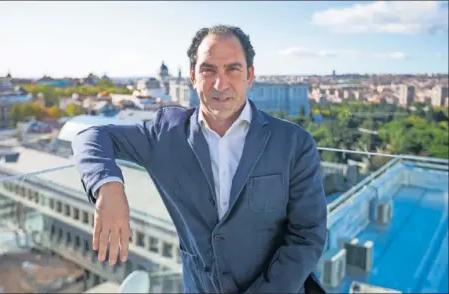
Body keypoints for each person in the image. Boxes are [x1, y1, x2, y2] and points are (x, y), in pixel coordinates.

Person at [72, 24, 327, 294]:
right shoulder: (167, 134)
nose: (220, 83)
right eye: (208, 70)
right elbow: (89, 136)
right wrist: (108, 187)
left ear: (249, 76)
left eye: (233, 69)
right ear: (193, 76)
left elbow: (307, 236)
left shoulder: (293, 142)